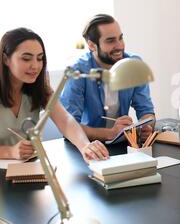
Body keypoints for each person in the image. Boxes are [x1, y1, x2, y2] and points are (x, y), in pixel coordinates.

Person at [0, 27, 109, 163]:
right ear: (5, 59)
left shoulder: (39, 89)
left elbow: (65, 120)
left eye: (40, 58)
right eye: (26, 59)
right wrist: (10, 151)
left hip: (28, 169)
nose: (35, 66)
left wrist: (85, 146)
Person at [60, 14, 155, 143]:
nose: (120, 46)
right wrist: (110, 133)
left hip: (122, 144)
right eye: (110, 41)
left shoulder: (133, 64)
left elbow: (146, 110)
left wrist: (146, 126)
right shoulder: (79, 72)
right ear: (92, 45)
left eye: (120, 38)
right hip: (88, 146)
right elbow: (68, 126)